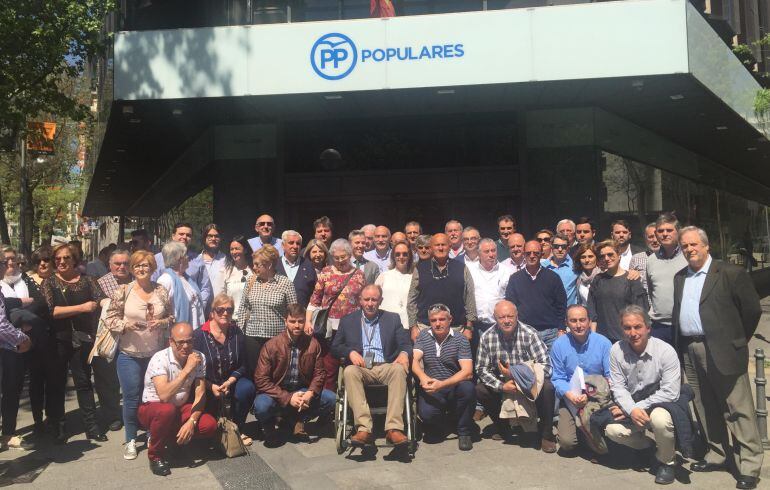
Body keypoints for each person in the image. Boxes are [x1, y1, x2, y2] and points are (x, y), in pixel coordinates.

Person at [673, 227, 764, 489]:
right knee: (704, 405)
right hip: (691, 349)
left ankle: (749, 464)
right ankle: (718, 453)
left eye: (693, 245)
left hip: (723, 350)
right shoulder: (681, 277)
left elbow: (752, 310)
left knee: (738, 409)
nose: (689, 250)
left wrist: (736, 340)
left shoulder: (730, 274)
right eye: (685, 246)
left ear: (706, 245)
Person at [105, 250, 175, 460]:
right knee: (132, 399)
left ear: (153, 268)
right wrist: (126, 325)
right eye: (137, 266)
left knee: (155, 398)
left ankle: (155, 434)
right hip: (129, 355)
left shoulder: (161, 290)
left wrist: (162, 322)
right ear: (132, 269)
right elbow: (109, 319)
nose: (142, 269)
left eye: (146, 265)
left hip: (156, 356)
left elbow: (172, 316)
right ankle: (131, 439)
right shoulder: (123, 291)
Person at [605, 305, 681, 485]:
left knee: (660, 420)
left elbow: (671, 391)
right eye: (627, 328)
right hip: (632, 404)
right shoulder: (616, 350)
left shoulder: (665, 351)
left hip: (661, 402)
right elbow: (618, 386)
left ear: (648, 328)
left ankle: (667, 462)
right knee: (612, 430)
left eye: (638, 327)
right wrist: (631, 409)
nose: (633, 333)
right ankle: (650, 449)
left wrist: (636, 408)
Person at [40, 243, 107, 443]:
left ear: (74, 259)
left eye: (66, 258)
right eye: (58, 258)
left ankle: (92, 426)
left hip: (83, 340)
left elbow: (101, 299)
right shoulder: (49, 283)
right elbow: (52, 311)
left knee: (84, 383)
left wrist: (111, 302)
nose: (61, 262)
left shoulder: (88, 281)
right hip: (57, 340)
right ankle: (58, 425)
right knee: (56, 383)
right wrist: (83, 307)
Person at [331, 284, 412, 448]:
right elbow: (335, 346)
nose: (370, 303)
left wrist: (404, 353)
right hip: (361, 368)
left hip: (386, 365)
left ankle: (394, 429)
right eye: (366, 299)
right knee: (349, 371)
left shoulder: (392, 318)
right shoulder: (348, 321)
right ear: (360, 300)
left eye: (374, 299)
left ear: (380, 301)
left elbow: (406, 343)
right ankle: (364, 429)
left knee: (398, 369)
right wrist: (350, 353)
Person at [475, 300, 556, 452]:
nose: (506, 321)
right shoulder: (487, 337)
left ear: (517, 316)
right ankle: (503, 427)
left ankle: (547, 434)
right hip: (503, 384)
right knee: (480, 389)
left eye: (510, 316)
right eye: (501, 317)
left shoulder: (530, 334)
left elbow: (546, 367)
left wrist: (518, 378)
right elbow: (481, 369)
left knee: (548, 387)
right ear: (495, 318)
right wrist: (502, 386)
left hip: (528, 383)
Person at [138, 322, 216, 476]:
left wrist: (191, 422)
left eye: (189, 341)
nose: (186, 346)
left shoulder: (199, 357)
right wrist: (187, 369)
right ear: (171, 342)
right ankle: (155, 455)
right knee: (167, 410)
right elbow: (164, 396)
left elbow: (200, 394)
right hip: (153, 408)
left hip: (179, 408)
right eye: (181, 342)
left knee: (209, 425)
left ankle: (172, 441)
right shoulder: (159, 358)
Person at [253, 303, 335, 446]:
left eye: (300, 321)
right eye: (292, 321)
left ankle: (298, 418)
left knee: (331, 399)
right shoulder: (271, 346)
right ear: (285, 321)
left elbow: (320, 373)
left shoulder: (313, 344)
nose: (297, 326)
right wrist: (288, 397)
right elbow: (261, 380)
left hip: (301, 390)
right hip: (276, 391)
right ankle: (269, 425)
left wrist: (310, 392)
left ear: (305, 321)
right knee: (261, 406)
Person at [193, 294, 255, 447]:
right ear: (212, 313)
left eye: (229, 310)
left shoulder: (236, 332)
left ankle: (237, 427)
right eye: (220, 310)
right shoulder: (199, 335)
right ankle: (217, 429)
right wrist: (210, 386)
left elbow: (243, 365)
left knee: (247, 388)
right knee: (209, 427)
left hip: (230, 382)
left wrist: (229, 381)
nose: (225, 313)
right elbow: (193, 369)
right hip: (206, 384)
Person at [549, 305, 611, 454]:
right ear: (566, 323)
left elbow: (610, 376)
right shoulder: (559, 345)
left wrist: (594, 395)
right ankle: (579, 432)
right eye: (573, 321)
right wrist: (571, 395)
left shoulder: (603, 343)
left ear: (589, 321)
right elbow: (558, 377)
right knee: (567, 444)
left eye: (582, 320)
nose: (578, 325)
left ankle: (589, 434)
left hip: (598, 398)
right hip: (571, 398)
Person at [413, 304, 475, 450]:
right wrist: (422, 377)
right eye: (433, 320)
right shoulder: (423, 336)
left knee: (468, 388)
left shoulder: (460, 339)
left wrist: (442, 384)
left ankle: (464, 432)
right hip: (432, 386)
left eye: (442, 319)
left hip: (453, 385)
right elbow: (414, 360)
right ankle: (442, 424)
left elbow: (467, 371)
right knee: (427, 415)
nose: (438, 323)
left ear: (450, 319)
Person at [306, 239, 366, 391]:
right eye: (336, 257)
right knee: (329, 367)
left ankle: (350, 402)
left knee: (352, 366)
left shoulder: (359, 275)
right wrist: (307, 321)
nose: (340, 260)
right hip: (328, 329)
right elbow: (315, 299)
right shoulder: (326, 273)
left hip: (352, 327)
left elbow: (363, 302)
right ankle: (329, 403)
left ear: (350, 255)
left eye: (343, 257)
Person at [0, 247, 42, 449]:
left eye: (13, 260)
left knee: (12, 390)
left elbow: (38, 301)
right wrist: (20, 334)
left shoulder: (25, 281)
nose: (10, 264)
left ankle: (8, 433)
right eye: (5, 261)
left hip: (15, 347)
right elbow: (2, 318)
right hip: (11, 342)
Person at [236, 244, 298, 379]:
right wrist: (240, 331)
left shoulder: (285, 283)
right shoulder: (251, 281)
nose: (254, 267)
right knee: (254, 374)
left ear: (269, 264)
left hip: (276, 338)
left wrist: (292, 335)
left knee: (275, 374)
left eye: (258, 264)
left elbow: (293, 312)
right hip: (252, 336)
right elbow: (243, 308)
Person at [407, 233, 476, 342]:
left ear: (449, 247)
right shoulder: (420, 269)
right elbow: (412, 300)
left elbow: (470, 298)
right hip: (425, 328)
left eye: (443, 245)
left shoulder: (461, 268)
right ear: (431, 248)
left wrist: (468, 327)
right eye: (437, 245)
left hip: (456, 329)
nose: (440, 248)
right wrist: (413, 327)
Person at [504, 241, 566, 349]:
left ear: (541, 254)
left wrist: (561, 329)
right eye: (528, 253)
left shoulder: (553, 278)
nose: (532, 256)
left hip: (550, 334)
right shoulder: (515, 279)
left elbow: (561, 305)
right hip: (525, 333)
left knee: (553, 365)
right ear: (523, 254)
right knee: (527, 366)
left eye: (536, 253)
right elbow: (510, 306)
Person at [587, 240, 648, 344]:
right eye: (603, 256)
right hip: (602, 338)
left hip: (626, 337)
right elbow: (592, 310)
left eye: (610, 254)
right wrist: (593, 336)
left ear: (619, 255)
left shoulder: (631, 279)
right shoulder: (598, 280)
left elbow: (641, 310)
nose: (606, 258)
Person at [152, 223, 213, 314]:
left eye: (188, 235)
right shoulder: (158, 259)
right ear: (173, 236)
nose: (184, 237)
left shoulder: (198, 260)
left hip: (193, 313)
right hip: (166, 313)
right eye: (181, 234)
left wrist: (199, 307)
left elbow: (205, 288)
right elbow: (152, 284)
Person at [646, 213, 687, 344]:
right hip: (658, 327)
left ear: (678, 232)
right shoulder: (651, 260)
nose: (664, 234)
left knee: (684, 364)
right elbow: (652, 291)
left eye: (669, 230)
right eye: (660, 231)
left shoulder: (688, 257)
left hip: (684, 325)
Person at [468, 238, 509, 359]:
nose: (491, 254)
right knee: (477, 359)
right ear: (479, 253)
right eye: (487, 251)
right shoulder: (469, 270)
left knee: (498, 359)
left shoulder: (506, 271)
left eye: (493, 250)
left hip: (498, 325)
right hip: (476, 326)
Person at [157, 241, 205, 330]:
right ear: (178, 259)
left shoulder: (187, 278)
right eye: (185, 255)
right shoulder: (165, 280)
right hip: (179, 334)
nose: (188, 257)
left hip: (196, 332)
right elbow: (160, 312)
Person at [375, 240, 414, 328]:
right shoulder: (384, 276)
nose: (401, 257)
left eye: (405, 254)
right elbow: (374, 299)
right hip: (385, 324)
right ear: (393, 256)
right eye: (397, 254)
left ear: (409, 256)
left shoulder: (414, 277)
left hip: (406, 325)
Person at [276, 230, 317, 308]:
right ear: (282, 245)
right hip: (279, 317)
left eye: (298, 243)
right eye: (291, 243)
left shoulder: (308, 265)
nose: (295, 246)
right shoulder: (274, 265)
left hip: (302, 317)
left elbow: (315, 294)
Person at [221, 235, 254, 321]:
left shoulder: (254, 270)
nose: (234, 252)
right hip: (232, 320)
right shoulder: (226, 271)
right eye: (232, 249)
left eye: (237, 249)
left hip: (252, 321)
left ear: (245, 250)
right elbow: (222, 297)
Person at [542, 233, 578, 307]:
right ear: (551, 247)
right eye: (556, 246)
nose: (560, 249)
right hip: (548, 312)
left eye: (563, 247)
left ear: (568, 248)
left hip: (569, 314)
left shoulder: (576, 266)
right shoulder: (542, 267)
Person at [629, 222, 661, 299]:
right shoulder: (636, 258)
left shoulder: (670, 258)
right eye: (650, 237)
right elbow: (630, 284)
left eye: (657, 236)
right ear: (645, 239)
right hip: (643, 305)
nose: (655, 240)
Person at [199, 223, 227, 296]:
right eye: (210, 236)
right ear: (204, 238)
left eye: (216, 236)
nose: (213, 239)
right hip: (201, 304)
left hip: (220, 305)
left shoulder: (226, 260)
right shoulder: (197, 260)